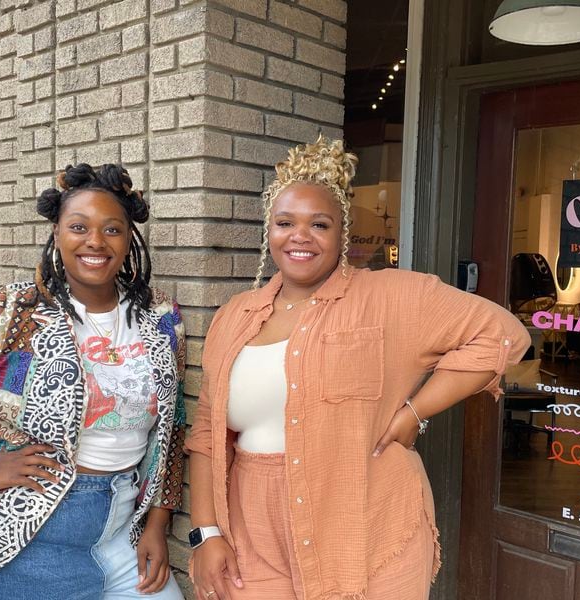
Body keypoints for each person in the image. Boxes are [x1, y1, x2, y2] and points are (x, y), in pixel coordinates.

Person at [186, 137, 531, 600]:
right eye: (285, 222)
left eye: (319, 224)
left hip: (366, 526)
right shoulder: (235, 316)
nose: (300, 236)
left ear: (341, 234)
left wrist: (414, 412)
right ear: (269, 231)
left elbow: (503, 334)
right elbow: (208, 435)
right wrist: (206, 534)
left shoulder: (391, 297)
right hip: (254, 534)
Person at [0, 164, 187, 600]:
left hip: (124, 535)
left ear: (129, 239)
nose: (95, 241)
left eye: (112, 229)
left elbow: (172, 429)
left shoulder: (161, 318)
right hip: (24, 539)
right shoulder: (20, 311)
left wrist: (158, 520)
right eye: (79, 227)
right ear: (57, 234)